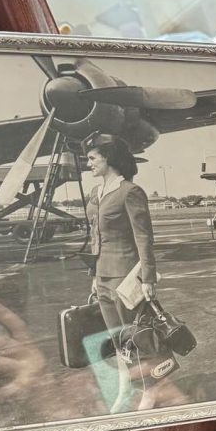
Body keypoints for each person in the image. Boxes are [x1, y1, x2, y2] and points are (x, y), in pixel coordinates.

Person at [84, 133, 157, 412]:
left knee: (136, 339)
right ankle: (127, 390)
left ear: (109, 158)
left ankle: (150, 391)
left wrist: (148, 277)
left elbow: (144, 238)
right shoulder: (96, 194)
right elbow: (94, 236)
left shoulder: (129, 192)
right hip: (102, 277)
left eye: (92, 158)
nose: (88, 163)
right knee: (117, 341)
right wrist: (94, 275)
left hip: (126, 278)